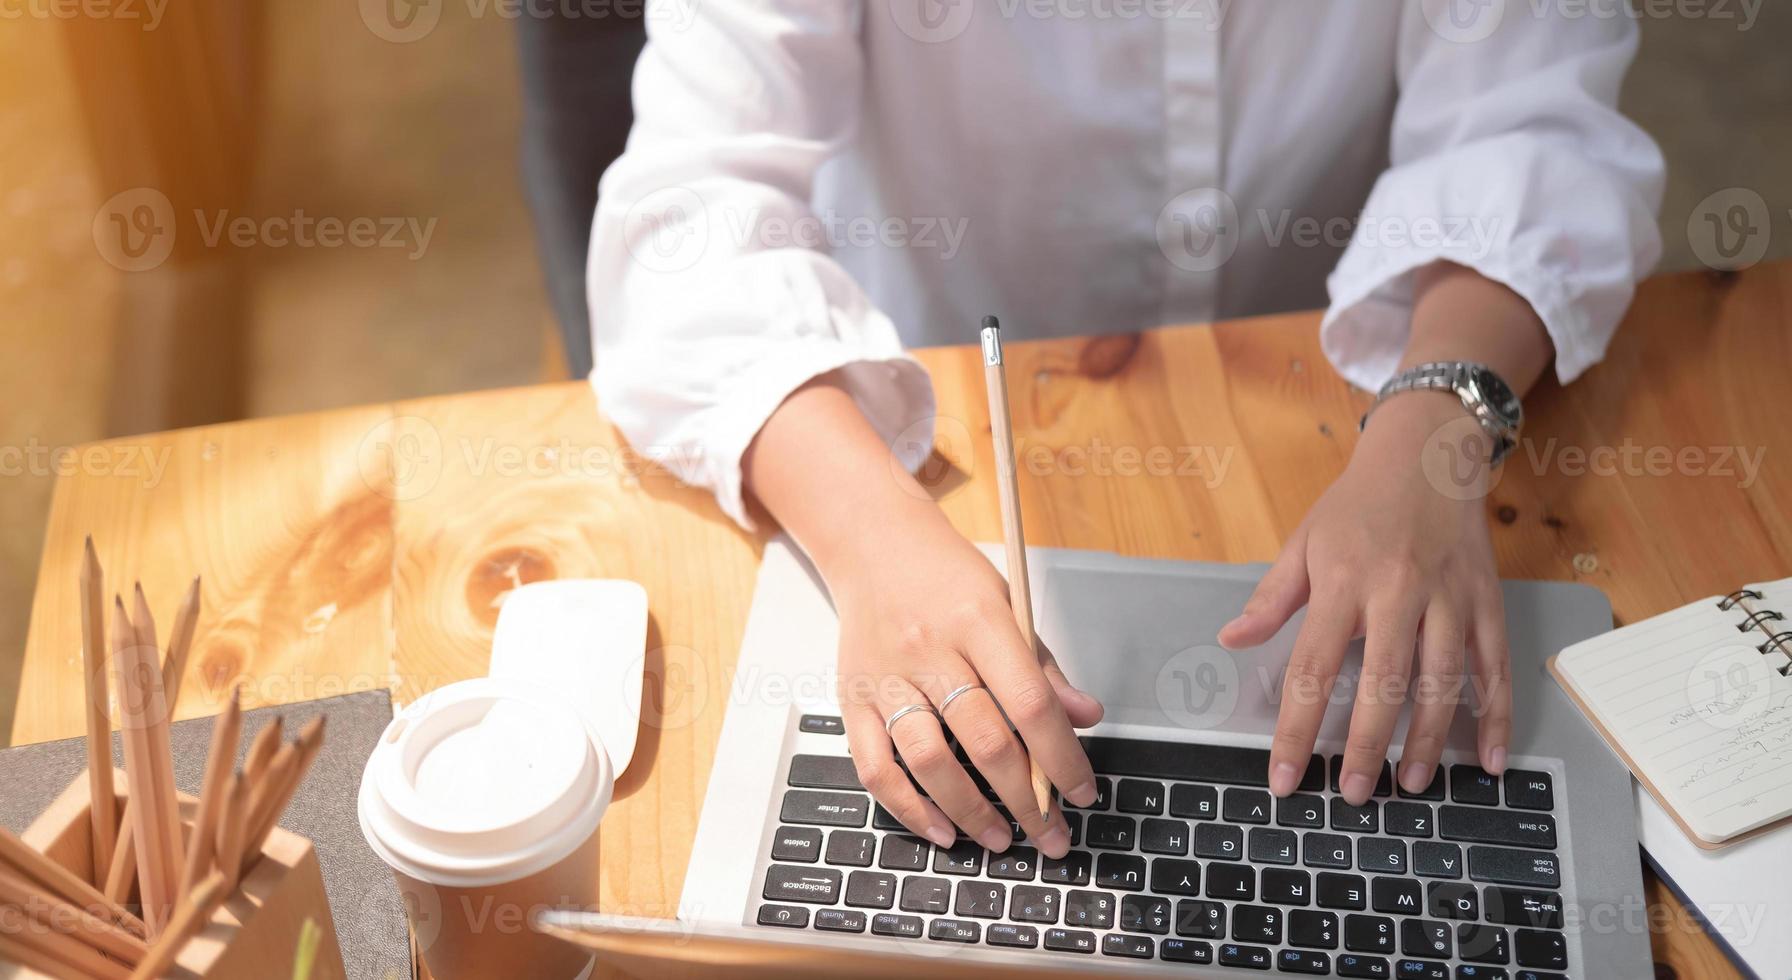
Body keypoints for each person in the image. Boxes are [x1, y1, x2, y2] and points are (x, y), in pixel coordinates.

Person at [584, 2, 1664, 861]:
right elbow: (690, 214)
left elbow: (1536, 126)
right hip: (906, 430)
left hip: (1335, 402)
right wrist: (869, 540)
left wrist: (1441, 420)